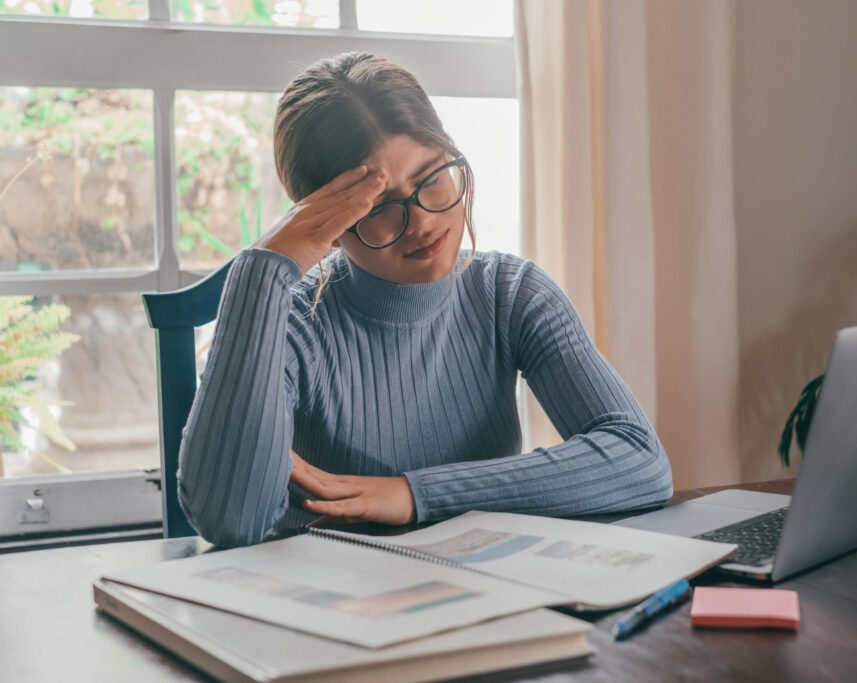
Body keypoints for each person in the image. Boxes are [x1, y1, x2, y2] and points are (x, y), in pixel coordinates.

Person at [177, 52, 673, 547]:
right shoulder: (291, 322)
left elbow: (639, 460)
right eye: (379, 207)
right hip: (332, 603)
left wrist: (414, 495)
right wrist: (260, 270)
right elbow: (231, 520)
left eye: (432, 179)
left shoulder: (511, 294)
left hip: (484, 594)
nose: (422, 223)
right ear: (327, 224)